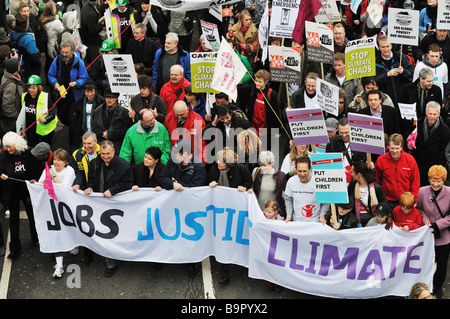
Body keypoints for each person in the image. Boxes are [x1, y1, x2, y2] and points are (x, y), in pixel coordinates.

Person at [84, 140, 134, 276]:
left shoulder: (123, 165)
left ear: (113, 152)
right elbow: (91, 179)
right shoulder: (94, 163)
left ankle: (111, 263)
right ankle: (90, 254)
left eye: (108, 154)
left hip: (114, 205)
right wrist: (89, 187)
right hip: (98, 203)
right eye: (102, 154)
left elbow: (128, 183)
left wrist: (113, 190)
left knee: (110, 233)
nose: (105, 156)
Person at [158, 138, 206, 278]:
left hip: (190, 209)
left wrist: (180, 184)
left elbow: (197, 188)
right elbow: (162, 177)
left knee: (189, 235)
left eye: (176, 154)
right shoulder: (172, 162)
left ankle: (191, 262)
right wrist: (172, 184)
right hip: (172, 206)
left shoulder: (199, 167)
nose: (173, 156)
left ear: (185, 154)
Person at [0, 132, 40, 259]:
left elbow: (34, 169)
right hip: (12, 191)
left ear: (17, 145)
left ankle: (36, 239)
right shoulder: (3, 155)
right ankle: (14, 248)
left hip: (27, 190)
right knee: (13, 220)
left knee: (33, 215)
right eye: (6, 147)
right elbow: (0, 169)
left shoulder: (27, 153)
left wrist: (33, 179)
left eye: (10, 147)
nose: (8, 149)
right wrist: (2, 175)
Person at [37, 148, 76, 278]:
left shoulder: (69, 171)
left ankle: (73, 244)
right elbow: (40, 185)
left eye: (60, 160)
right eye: (55, 160)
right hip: (51, 209)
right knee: (57, 234)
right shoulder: (48, 169)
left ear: (65, 162)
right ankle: (59, 266)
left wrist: (53, 176)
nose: (56, 163)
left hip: (65, 207)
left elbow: (63, 189)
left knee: (69, 230)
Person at [47, 40, 90, 150]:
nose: (64, 54)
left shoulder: (78, 62)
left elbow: (85, 78)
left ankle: (73, 146)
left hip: (74, 98)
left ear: (72, 52)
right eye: (63, 52)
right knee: (63, 117)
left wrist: (76, 83)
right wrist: (55, 83)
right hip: (61, 96)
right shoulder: (57, 61)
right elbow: (50, 75)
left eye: (66, 52)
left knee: (73, 121)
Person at [416, 165, 450, 299]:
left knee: (441, 266)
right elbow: (419, 209)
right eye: (433, 180)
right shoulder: (422, 191)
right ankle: (425, 288)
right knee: (426, 264)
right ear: (429, 179)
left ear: (443, 181)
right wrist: (425, 219)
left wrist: (438, 225)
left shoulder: (449, 192)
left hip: (443, 235)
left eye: (439, 181)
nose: (436, 184)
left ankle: (437, 289)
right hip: (427, 235)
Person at [375, 133, 421, 211]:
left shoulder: (410, 160)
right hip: (386, 201)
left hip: (405, 202)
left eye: (397, 148)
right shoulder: (381, 160)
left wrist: (414, 199)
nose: (394, 151)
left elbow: (415, 182)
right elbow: (377, 181)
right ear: (388, 147)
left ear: (401, 147)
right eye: (392, 148)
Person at [409, 101, 450, 186]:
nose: (431, 116)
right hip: (418, 163)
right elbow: (411, 136)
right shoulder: (418, 123)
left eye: (434, 114)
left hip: (433, 166)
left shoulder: (445, 130)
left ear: (439, 114)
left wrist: (437, 170)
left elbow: (443, 152)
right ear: (426, 112)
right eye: (430, 113)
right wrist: (409, 144)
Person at [284, 156, 330, 223]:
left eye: (305, 171)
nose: (302, 174)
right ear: (295, 169)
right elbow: (288, 199)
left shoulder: (318, 181)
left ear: (310, 169)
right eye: (299, 171)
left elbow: (325, 202)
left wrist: (322, 216)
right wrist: (289, 215)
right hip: (296, 222)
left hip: (314, 223)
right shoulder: (291, 181)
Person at [91, 87, 133, 154]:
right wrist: (102, 133)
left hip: (117, 147)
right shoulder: (98, 111)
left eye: (112, 97)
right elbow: (94, 128)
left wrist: (110, 134)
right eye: (107, 97)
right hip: (101, 145)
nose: (109, 99)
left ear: (116, 98)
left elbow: (126, 130)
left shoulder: (123, 112)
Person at [375, 35, 414, 107]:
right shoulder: (376, 61)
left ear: (391, 46)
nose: (385, 49)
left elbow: (411, 73)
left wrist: (403, 72)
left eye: (387, 46)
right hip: (386, 98)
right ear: (379, 47)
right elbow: (375, 80)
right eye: (383, 47)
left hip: (402, 96)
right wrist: (387, 75)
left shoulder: (400, 56)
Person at [326, 117, 366, 183]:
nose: (344, 135)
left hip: (355, 179)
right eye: (341, 133)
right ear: (337, 130)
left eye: (346, 132)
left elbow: (363, 160)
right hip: (338, 179)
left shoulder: (359, 141)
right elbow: (328, 161)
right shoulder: (333, 141)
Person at [21, 75, 57, 148]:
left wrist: (45, 119)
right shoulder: (24, 96)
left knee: (45, 151)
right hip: (31, 131)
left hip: (44, 131)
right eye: (29, 87)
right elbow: (22, 115)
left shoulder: (46, 96)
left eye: (34, 88)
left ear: (39, 87)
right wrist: (22, 129)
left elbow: (53, 114)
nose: (31, 90)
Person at [348, 160, 386, 227]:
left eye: (352, 172)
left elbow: (384, 204)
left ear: (359, 174)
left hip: (371, 221)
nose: (351, 173)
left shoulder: (376, 188)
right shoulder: (352, 185)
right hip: (355, 221)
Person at [8, 14, 41, 80]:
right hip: (29, 66)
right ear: (26, 24)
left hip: (18, 63)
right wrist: (39, 64)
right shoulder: (28, 38)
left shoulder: (13, 34)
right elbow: (34, 56)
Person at [37, 1, 64, 75]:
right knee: (55, 65)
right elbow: (63, 32)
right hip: (54, 47)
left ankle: (48, 79)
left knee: (48, 63)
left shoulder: (42, 19)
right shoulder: (55, 22)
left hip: (47, 45)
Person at [0, 58, 24, 139]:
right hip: (11, 123)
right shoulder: (11, 85)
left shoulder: (6, 75)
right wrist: (17, 116)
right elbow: (7, 106)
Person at [79, 0, 104, 65]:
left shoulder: (85, 7)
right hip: (92, 43)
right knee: (95, 64)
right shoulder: (91, 14)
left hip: (84, 41)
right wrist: (101, 25)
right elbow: (92, 30)